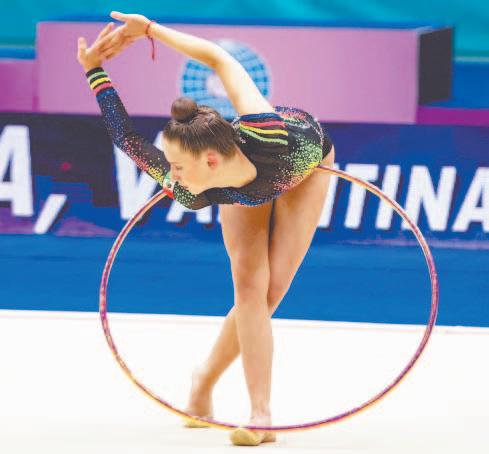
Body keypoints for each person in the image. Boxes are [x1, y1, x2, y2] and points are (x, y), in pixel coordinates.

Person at [77, 13, 336, 446]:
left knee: (272, 292)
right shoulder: (193, 189)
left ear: (210, 161)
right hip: (241, 192)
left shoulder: (266, 132)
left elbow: (219, 59)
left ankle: (203, 378)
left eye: (177, 166)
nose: (171, 176)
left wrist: (152, 30)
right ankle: (261, 415)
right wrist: (94, 71)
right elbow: (127, 140)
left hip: (304, 167)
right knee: (250, 292)